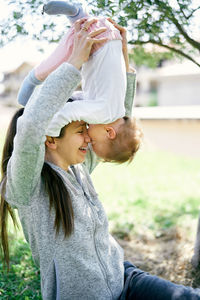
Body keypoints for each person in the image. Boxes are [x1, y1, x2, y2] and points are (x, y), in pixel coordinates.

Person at [1, 18, 200, 300]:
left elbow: (113, 127)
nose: (89, 138)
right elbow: (32, 124)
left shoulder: (79, 167)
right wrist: (74, 63)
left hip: (125, 278)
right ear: (50, 137)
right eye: (81, 130)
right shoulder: (27, 186)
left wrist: (123, 60)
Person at [17, 1, 138, 163]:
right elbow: (66, 112)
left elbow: (80, 98)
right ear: (109, 132)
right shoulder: (102, 113)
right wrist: (50, 132)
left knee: (75, 39)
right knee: (59, 59)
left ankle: (77, 15)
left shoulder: (119, 111)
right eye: (93, 141)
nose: (88, 138)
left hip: (111, 37)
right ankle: (76, 13)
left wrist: (124, 52)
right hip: (98, 41)